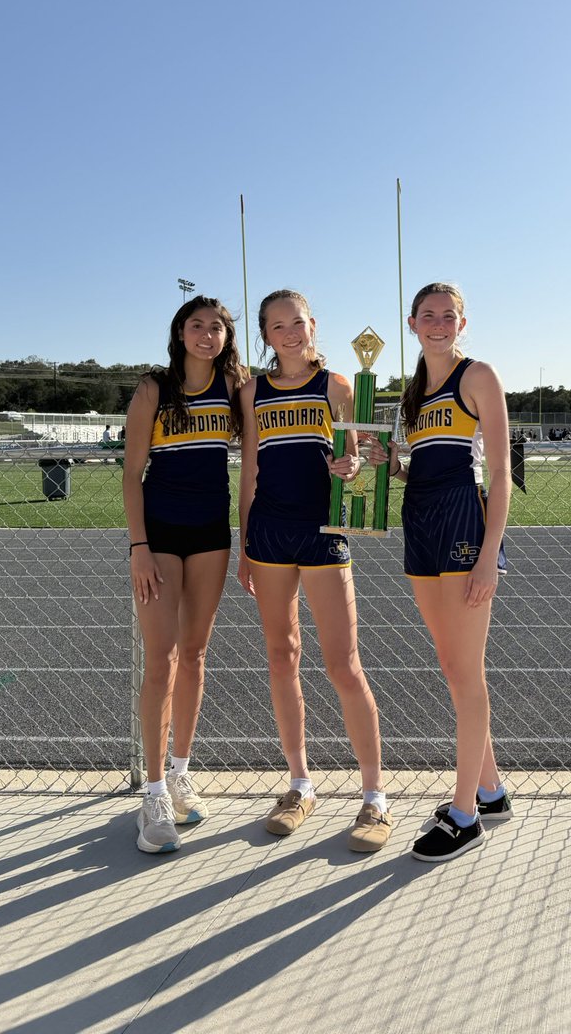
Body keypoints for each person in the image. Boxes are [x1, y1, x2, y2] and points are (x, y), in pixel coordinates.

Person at [237, 288, 393, 853]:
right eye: (278, 325)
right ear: (266, 334)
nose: (290, 332)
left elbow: (361, 459)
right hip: (270, 535)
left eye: (297, 322)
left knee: (343, 665)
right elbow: (249, 470)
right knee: (282, 657)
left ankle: (375, 798)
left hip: (324, 534)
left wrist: (351, 466)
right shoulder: (252, 391)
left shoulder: (338, 386)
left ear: (312, 325)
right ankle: (300, 785)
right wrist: (243, 544)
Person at [367, 282, 511, 863]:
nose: (437, 323)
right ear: (411, 323)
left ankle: (464, 815)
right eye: (427, 315)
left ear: (462, 322)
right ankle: (491, 791)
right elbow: (418, 470)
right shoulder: (413, 393)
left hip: (461, 524)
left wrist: (488, 556)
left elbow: (498, 473)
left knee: (464, 671)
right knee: (451, 663)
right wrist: (389, 463)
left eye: (447, 315)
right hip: (419, 522)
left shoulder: (478, 377)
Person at [123, 295, 247, 853]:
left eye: (215, 327)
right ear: (178, 333)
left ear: (225, 336)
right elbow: (130, 474)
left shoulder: (237, 387)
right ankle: (150, 794)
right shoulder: (154, 388)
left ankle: (178, 771)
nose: (206, 334)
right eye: (196, 325)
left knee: (195, 653)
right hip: (160, 536)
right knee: (161, 658)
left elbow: (272, 445)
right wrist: (139, 547)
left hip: (210, 535)